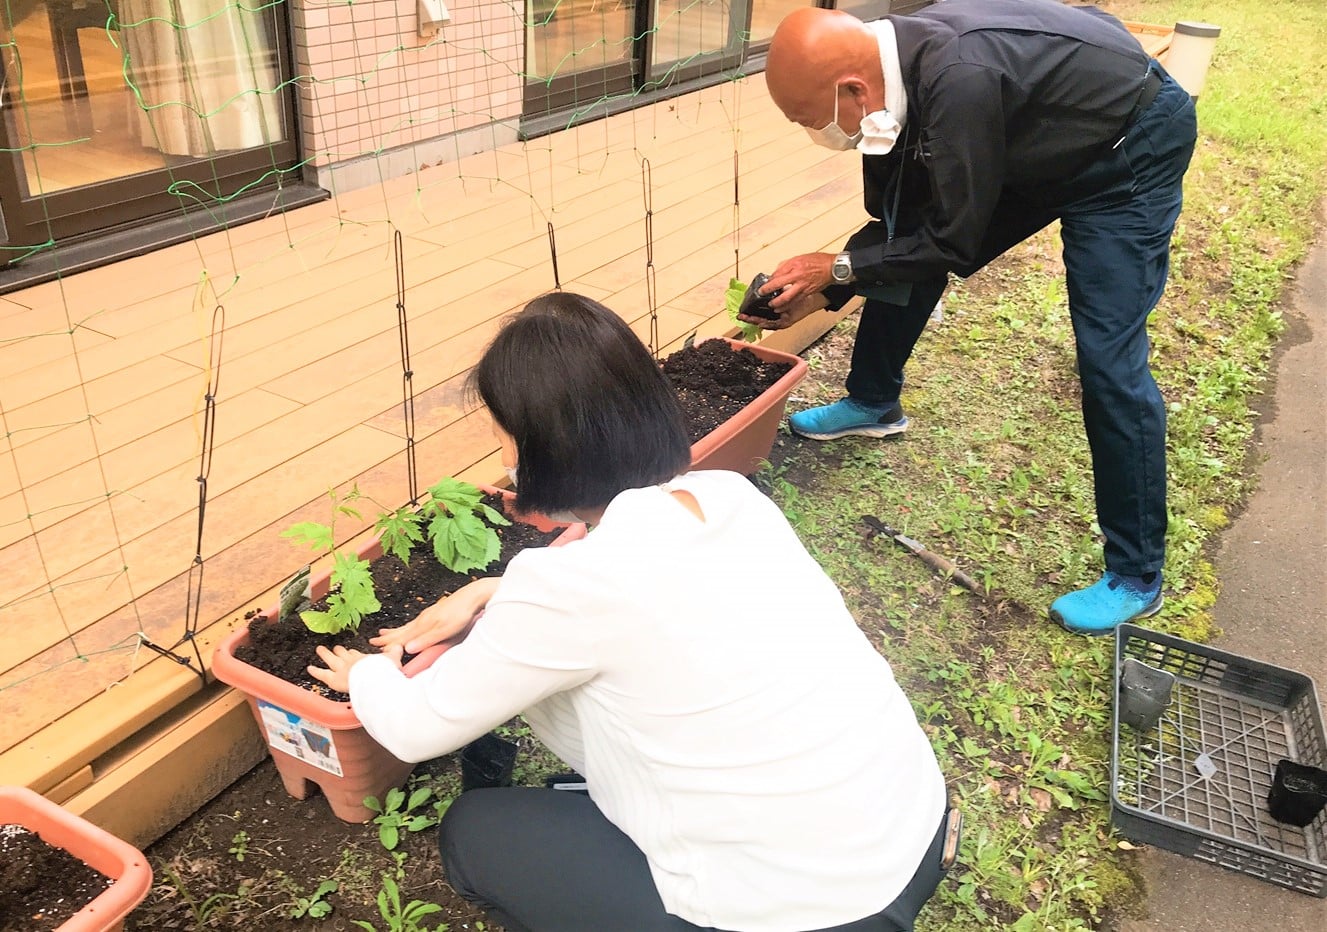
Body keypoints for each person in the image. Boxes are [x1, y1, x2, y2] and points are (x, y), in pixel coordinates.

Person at [309, 292, 952, 932]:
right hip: (911, 832)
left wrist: (368, 676)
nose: (505, 463)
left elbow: (418, 728)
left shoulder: (566, 590)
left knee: (476, 833)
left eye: (508, 442)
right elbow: (640, 597)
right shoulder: (729, 498)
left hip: (806, 914)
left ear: (547, 449)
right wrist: (491, 592)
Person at [743, 0, 1198, 635]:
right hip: (1038, 131)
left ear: (853, 88)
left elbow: (951, 243)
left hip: (1127, 147)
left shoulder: (959, 80)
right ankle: (874, 402)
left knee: (1108, 355)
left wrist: (840, 271)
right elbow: (900, 229)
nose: (810, 132)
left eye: (808, 119)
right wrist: (830, 284)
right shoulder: (891, 79)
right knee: (909, 240)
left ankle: (1136, 572)